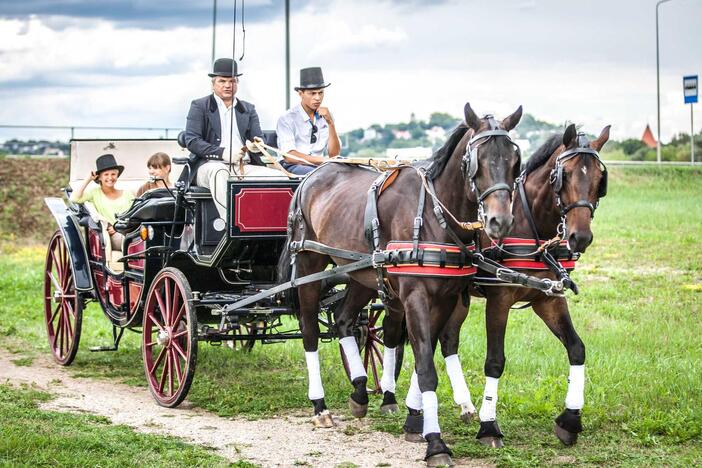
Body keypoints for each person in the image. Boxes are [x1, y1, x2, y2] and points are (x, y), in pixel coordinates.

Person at [182, 57, 282, 219]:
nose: (228, 85)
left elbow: (257, 137)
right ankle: (232, 225)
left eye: (232, 81)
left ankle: (271, 225)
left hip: (243, 166)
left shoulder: (248, 109)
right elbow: (192, 141)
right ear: (213, 83)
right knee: (219, 172)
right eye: (222, 81)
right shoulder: (199, 106)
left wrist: (257, 145)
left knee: (279, 177)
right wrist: (223, 153)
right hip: (209, 165)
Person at [276, 67, 340, 175]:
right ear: (301, 94)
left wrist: (331, 123)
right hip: (294, 165)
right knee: (319, 175)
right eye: (312, 93)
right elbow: (289, 157)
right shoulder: (286, 118)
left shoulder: (327, 116)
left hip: (320, 165)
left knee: (350, 172)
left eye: (321, 93)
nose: (318, 98)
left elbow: (334, 154)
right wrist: (323, 161)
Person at [71, 153, 135, 250]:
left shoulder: (127, 194)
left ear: (117, 176)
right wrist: (88, 179)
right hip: (113, 237)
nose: (110, 178)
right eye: (106, 174)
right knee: (128, 240)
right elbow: (74, 198)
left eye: (113, 174)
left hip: (130, 231)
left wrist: (121, 227)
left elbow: (134, 215)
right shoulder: (94, 193)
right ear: (99, 177)